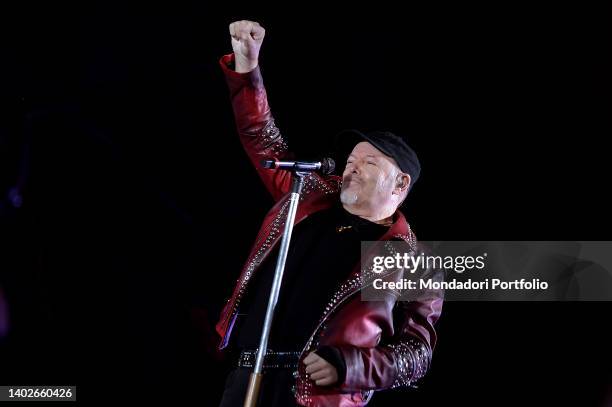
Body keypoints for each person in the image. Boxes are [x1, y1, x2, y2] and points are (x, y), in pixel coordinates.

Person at [216, 20, 443, 407]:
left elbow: (416, 355)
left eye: (368, 162)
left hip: (314, 396)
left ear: (400, 185)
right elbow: (261, 137)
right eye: (351, 159)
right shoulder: (310, 196)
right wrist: (247, 66)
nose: (351, 167)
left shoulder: (413, 261)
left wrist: (351, 366)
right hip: (245, 377)